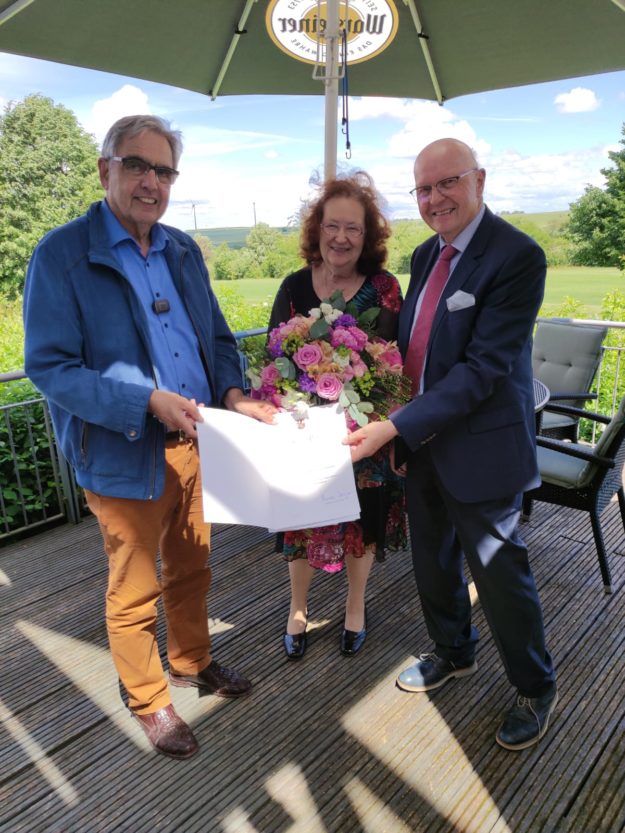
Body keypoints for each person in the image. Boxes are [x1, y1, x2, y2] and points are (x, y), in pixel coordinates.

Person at [23, 115, 277, 760]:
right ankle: (148, 697)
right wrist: (145, 401)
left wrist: (232, 394)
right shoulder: (62, 254)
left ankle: (192, 662)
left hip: (198, 440)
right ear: (105, 170)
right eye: (136, 165)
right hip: (120, 449)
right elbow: (50, 369)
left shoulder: (182, 249)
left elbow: (217, 338)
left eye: (164, 171)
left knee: (192, 566)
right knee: (134, 586)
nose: (151, 183)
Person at [344, 139, 557, 751]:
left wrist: (395, 427)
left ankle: (535, 687)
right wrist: (387, 412)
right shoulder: (424, 254)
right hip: (422, 443)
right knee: (432, 561)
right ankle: (453, 651)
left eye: (447, 183)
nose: (434, 198)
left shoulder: (517, 255)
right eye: (423, 188)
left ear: (478, 180)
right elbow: (416, 349)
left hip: (483, 449)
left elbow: (483, 369)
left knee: (499, 573)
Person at [267, 172, 407, 660]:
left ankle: (354, 605)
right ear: (317, 229)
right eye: (332, 226)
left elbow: (393, 363)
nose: (341, 237)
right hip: (306, 433)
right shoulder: (293, 286)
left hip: (364, 435)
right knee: (300, 520)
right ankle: (297, 609)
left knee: (361, 522)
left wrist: (364, 416)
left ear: (368, 237)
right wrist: (292, 400)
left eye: (353, 228)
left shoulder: (385, 288)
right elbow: (274, 359)